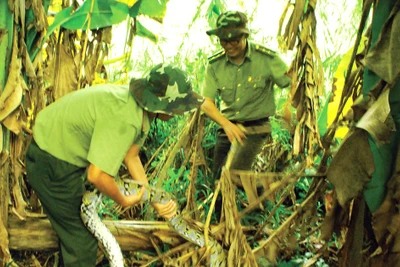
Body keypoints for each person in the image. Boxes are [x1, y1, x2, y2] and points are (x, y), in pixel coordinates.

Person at [25, 63, 205, 267]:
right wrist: (124, 200)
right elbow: (96, 175)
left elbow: (132, 157)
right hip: (50, 161)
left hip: (61, 155)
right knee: (82, 240)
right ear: (161, 103)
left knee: (73, 231)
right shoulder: (126, 119)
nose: (180, 113)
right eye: (177, 107)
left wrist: (154, 199)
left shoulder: (139, 109)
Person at [200, 10, 292, 179]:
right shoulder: (215, 65)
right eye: (224, 41)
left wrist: (289, 107)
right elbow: (206, 102)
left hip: (256, 129)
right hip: (227, 128)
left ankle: (255, 200)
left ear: (245, 36)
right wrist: (226, 125)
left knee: (234, 177)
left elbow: (294, 84)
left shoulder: (266, 59)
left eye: (234, 40)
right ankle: (229, 203)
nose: (229, 45)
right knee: (218, 181)